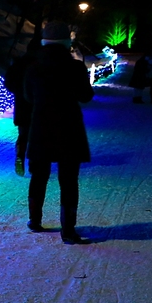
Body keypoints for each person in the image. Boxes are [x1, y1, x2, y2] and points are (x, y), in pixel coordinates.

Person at [23, 21, 94, 245]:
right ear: (66, 42)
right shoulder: (75, 68)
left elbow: (27, 97)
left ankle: (35, 221)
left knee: (39, 176)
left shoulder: (33, 67)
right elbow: (86, 96)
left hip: (41, 128)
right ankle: (68, 231)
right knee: (69, 180)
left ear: (44, 42)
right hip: (69, 128)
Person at [5, 35, 41, 176]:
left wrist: (18, 91)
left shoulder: (19, 64)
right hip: (38, 105)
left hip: (22, 105)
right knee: (37, 135)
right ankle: (34, 163)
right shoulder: (40, 65)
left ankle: (20, 155)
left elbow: (8, 82)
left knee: (23, 134)